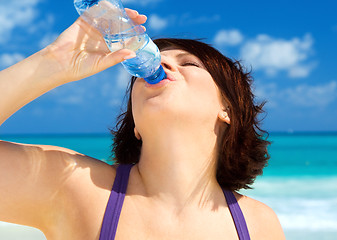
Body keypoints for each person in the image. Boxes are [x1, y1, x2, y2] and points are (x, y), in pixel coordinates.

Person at [0, 8, 285, 240]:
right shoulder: (74, 187)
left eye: (189, 64)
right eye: (156, 61)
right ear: (136, 124)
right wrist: (54, 61)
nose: (164, 66)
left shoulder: (257, 224)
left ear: (227, 109)